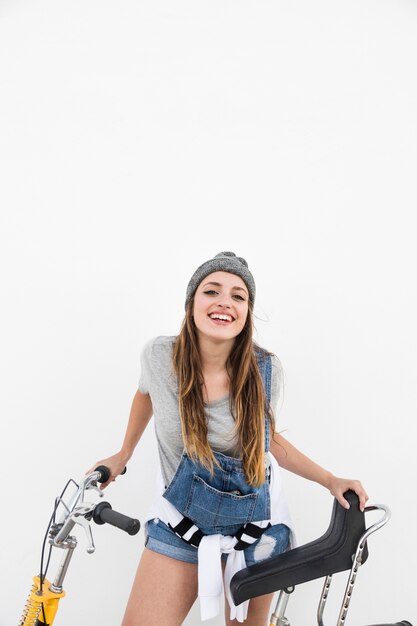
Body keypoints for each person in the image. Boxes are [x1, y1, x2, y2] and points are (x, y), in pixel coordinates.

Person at [88, 251, 368, 626]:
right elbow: (144, 394)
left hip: (253, 538)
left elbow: (266, 443)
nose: (225, 302)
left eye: (239, 296)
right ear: (191, 305)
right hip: (178, 527)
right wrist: (123, 453)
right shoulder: (159, 356)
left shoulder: (264, 370)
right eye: (212, 291)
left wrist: (330, 479)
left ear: (247, 312)